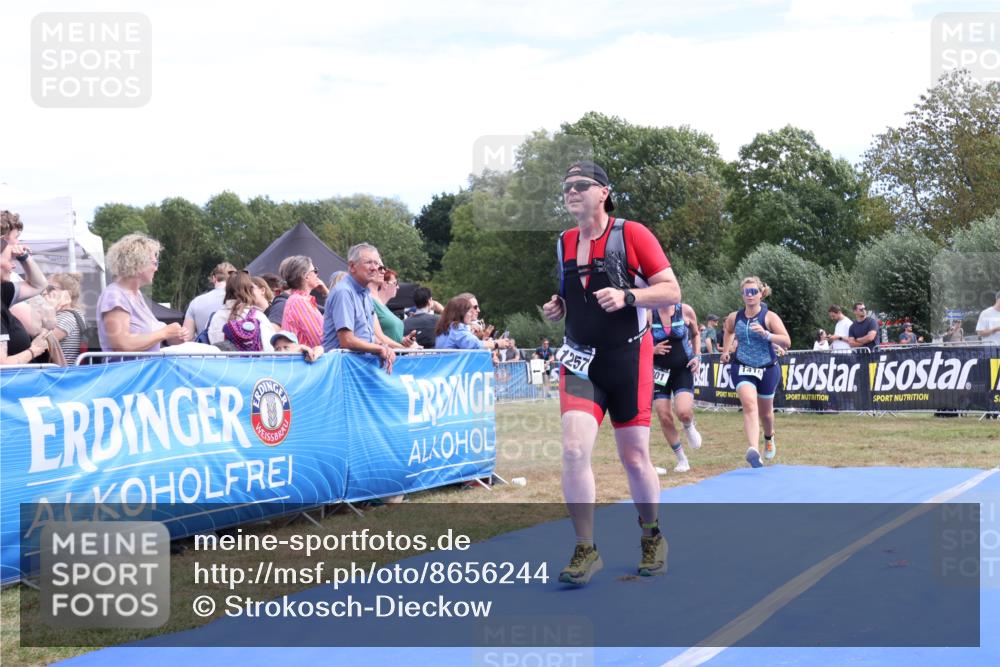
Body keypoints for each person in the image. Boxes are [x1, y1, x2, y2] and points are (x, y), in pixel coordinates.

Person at [541, 160, 680, 585]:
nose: (572, 191)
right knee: (572, 449)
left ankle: (652, 536)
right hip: (580, 360)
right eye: (566, 186)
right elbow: (572, 296)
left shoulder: (631, 233)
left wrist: (628, 296)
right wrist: (557, 308)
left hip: (627, 360)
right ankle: (586, 548)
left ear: (604, 192)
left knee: (634, 458)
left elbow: (671, 290)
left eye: (581, 185)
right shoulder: (564, 242)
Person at [720, 277, 791, 468]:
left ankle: (769, 437)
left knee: (766, 414)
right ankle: (753, 450)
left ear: (761, 294)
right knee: (750, 405)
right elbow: (728, 331)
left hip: (767, 368)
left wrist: (767, 334)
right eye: (746, 292)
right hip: (742, 366)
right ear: (742, 295)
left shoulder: (769, 317)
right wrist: (726, 351)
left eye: (753, 292)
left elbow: (786, 341)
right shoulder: (735, 317)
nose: (750, 296)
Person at [97, 233, 188, 352]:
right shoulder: (114, 295)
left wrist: (173, 338)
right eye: (154, 263)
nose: (156, 268)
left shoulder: (136, 295)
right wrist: (164, 333)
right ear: (138, 264)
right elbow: (121, 345)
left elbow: (147, 336)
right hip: (129, 370)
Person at [323, 243, 395, 373]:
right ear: (352, 266)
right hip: (340, 370)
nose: (375, 268)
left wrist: (383, 346)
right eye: (368, 263)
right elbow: (347, 340)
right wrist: (380, 349)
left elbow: (367, 336)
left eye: (377, 263)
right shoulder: (344, 292)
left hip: (357, 368)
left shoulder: (366, 294)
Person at [650, 303, 703, 473]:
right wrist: (652, 349)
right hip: (659, 372)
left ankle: (688, 425)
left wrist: (697, 356)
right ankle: (681, 459)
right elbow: (637, 341)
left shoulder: (686, 310)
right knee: (664, 416)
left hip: (682, 369)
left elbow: (695, 335)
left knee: (683, 412)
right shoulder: (649, 314)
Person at [0, 236, 51, 364]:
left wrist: (24, 257)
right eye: (10, 259)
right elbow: (2, 364)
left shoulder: (3, 292)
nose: (13, 265)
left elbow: (38, 285)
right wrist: (34, 350)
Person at [208, 271, 276, 351]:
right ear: (249, 290)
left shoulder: (217, 317)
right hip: (252, 363)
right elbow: (270, 348)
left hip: (223, 363)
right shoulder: (258, 317)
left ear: (227, 289)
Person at [279, 255, 327, 348]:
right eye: (314, 271)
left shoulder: (298, 300)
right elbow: (321, 340)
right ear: (306, 276)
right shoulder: (299, 302)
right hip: (305, 361)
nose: (317, 274)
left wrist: (327, 293)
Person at [182, 262, 236, 339]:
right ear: (235, 279)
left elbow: (186, 338)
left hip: (205, 350)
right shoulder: (243, 301)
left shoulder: (196, 302)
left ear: (214, 278)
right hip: (235, 350)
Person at [45, 273, 88, 365]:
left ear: (67, 294)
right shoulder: (75, 314)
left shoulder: (66, 317)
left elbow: (42, 342)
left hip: (62, 374)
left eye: (50, 288)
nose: (45, 292)